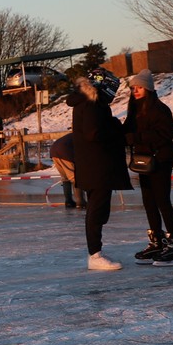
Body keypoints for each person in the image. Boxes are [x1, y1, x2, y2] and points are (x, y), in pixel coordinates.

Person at [69, 68, 132, 271]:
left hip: (94, 165)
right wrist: (115, 130)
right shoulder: (91, 104)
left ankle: (95, 252)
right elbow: (93, 133)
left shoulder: (87, 102)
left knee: (99, 209)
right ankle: (94, 254)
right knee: (96, 210)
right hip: (96, 166)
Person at [125, 69, 173, 266]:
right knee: (149, 201)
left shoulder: (160, 109)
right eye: (133, 88)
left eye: (139, 87)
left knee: (162, 200)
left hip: (161, 159)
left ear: (149, 89)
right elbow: (127, 130)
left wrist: (136, 138)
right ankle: (157, 241)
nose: (135, 91)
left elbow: (164, 135)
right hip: (144, 160)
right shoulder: (134, 109)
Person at [48, 133, 86, 209]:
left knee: (65, 178)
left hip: (54, 151)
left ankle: (69, 201)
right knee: (75, 177)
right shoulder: (84, 137)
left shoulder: (75, 135)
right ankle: (80, 202)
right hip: (64, 151)